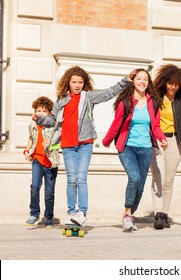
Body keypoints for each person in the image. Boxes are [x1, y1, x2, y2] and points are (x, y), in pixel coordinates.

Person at [34, 66, 132, 227]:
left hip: (85, 144)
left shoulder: (88, 97)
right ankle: (72, 212)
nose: (77, 85)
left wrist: (125, 81)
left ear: (84, 83)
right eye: (74, 82)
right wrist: (39, 119)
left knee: (81, 178)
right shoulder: (61, 100)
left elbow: (109, 92)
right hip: (67, 145)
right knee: (71, 179)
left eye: (80, 82)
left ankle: (82, 213)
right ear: (68, 83)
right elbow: (52, 120)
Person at [102, 69, 168, 232]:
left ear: (148, 83)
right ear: (133, 81)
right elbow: (117, 123)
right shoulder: (126, 102)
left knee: (140, 185)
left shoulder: (153, 102)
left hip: (145, 148)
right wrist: (107, 140)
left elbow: (156, 125)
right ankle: (127, 213)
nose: (142, 81)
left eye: (145, 79)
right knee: (134, 178)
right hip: (127, 147)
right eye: (139, 79)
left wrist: (161, 138)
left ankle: (130, 214)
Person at [149, 64, 181, 230]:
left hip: (174, 142)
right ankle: (157, 213)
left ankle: (164, 213)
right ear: (165, 82)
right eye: (170, 83)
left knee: (168, 180)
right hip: (157, 140)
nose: (173, 87)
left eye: (176, 84)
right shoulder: (155, 97)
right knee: (158, 177)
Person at [24, 96, 60, 228]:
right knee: (34, 186)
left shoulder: (53, 125)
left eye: (44, 111)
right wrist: (27, 151)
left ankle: (48, 217)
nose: (41, 113)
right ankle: (34, 213)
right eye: (38, 110)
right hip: (37, 160)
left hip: (51, 161)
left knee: (49, 192)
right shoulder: (32, 124)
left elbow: (59, 140)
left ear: (50, 113)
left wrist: (50, 142)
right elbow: (31, 138)